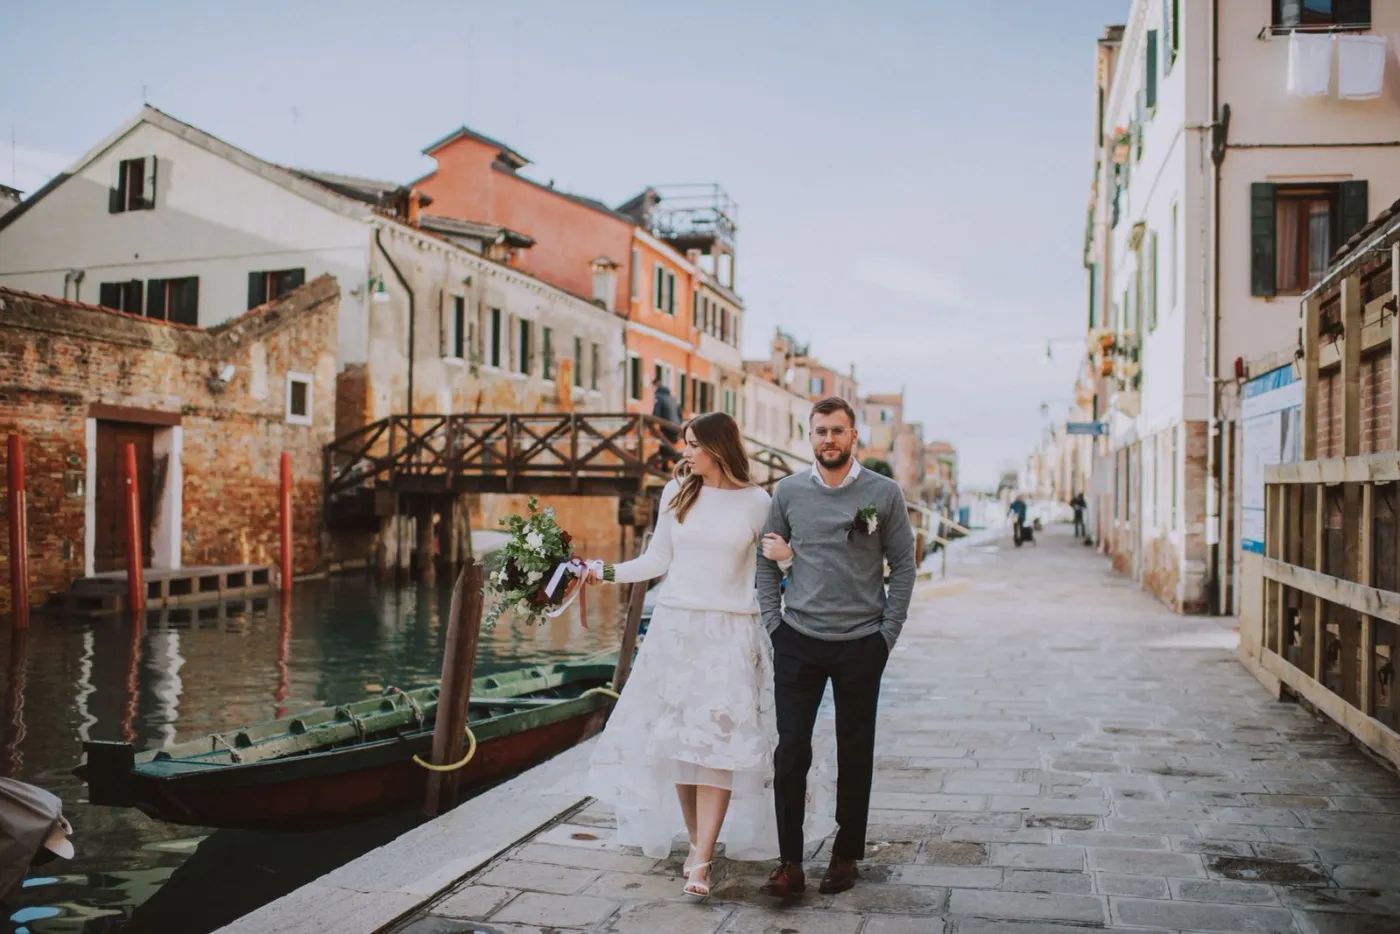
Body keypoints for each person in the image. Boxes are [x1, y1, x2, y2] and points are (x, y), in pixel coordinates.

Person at [585, 412, 818, 899]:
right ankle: (695, 843)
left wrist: (788, 559)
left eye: (693, 445)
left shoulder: (759, 502)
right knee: (679, 745)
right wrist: (602, 571)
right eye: (684, 444)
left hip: (731, 633)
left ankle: (704, 859)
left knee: (718, 749)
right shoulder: (677, 493)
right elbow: (657, 561)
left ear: (718, 446)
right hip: (676, 628)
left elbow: (779, 571)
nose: (684, 453)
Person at [754, 396, 916, 898]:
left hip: (860, 644)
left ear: (853, 437)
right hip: (798, 640)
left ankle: (846, 857)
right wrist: (773, 624)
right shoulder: (787, 492)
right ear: (810, 436)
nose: (829, 439)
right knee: (790, 754)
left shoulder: (884, 493)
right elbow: (766, 560)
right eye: (820, 431)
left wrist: (885, 636)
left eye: (838, 431)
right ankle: (789, 864)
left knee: (855, 753)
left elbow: (904, 567)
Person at [651, 379, 683, 469]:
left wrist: (650, 424)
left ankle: (680, 465)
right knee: (664, 448)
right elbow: (680, 414)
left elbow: (656, 414)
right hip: (676, 427)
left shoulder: (659, 397)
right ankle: (666, 468)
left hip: (666, 427)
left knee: (665, 447)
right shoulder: (674, 398)